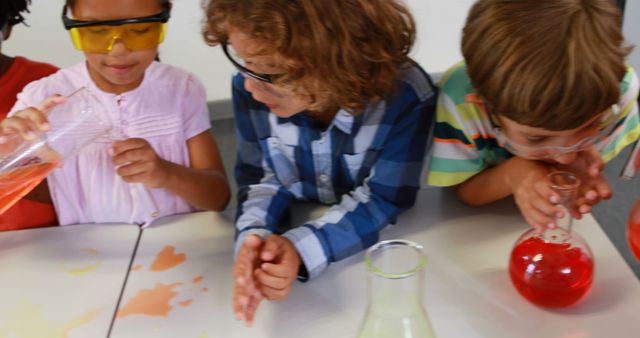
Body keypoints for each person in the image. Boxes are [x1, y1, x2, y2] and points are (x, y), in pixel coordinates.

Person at [202, 0, 437, 326]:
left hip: (367, 271)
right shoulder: (250, 83)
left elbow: (384, 198)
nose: (250, 85)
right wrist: (254, 240)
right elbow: (261, 179)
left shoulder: (407, 97)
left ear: (340, 59)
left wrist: (301, 249)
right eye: (242, 60)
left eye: (269, 72)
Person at [0, 0, 230, 226]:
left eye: (140, 30)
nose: (119, 50)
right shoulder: (42, 97)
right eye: (97, 31)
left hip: (177, 245)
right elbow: (8, 186)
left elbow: (218, 198)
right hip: (93, 256)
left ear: (163, 20)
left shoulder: (182, 89)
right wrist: (8, 149)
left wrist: (166, 174)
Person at [427, 0, 639, 231]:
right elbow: (463, 190)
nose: (565, 158)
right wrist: (514, 174)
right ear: (483, 106)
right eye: (536, 138)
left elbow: (569, 163)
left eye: (589, 126)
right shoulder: (459, 102)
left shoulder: (616, 93)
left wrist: (570, 171)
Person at [0, 0, 59, 230]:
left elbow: (78, 189)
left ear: (7, 29)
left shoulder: (45, 87)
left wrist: (12, 166)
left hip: (50, 246)